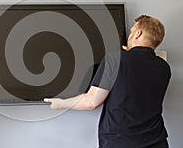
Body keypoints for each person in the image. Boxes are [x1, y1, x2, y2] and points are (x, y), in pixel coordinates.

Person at [44, 15, 171, 148]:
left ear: (138, 34)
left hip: (120, 142)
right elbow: (139, 83)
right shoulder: (164, 67)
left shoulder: (115, 60)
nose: (129, 36)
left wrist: (61, 103)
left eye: (132, 32)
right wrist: (128, 56)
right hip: (157, 141)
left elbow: (91, 102)